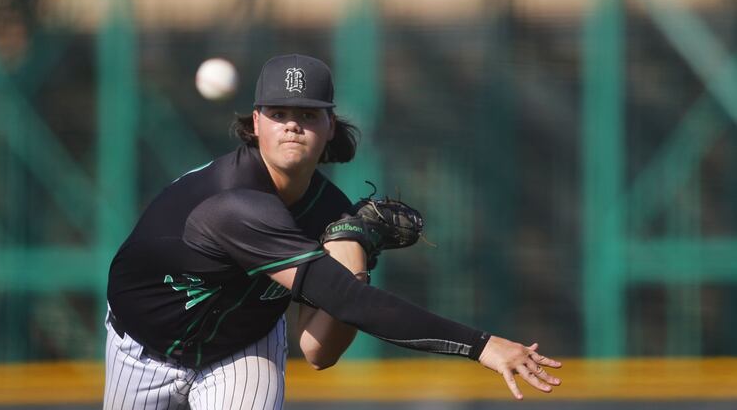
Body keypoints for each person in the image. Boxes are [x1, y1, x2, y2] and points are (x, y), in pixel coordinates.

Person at [104, 54, 561, 410]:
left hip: (240, 351)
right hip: (142, 348)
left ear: (329, 127)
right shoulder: (232, 204)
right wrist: (480, 345)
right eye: (278, 112)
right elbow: (350, 303)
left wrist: (354, 252)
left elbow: (318, 351)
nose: (292, 124)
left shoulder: (330, 212)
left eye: (307, 114)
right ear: (255, 123)